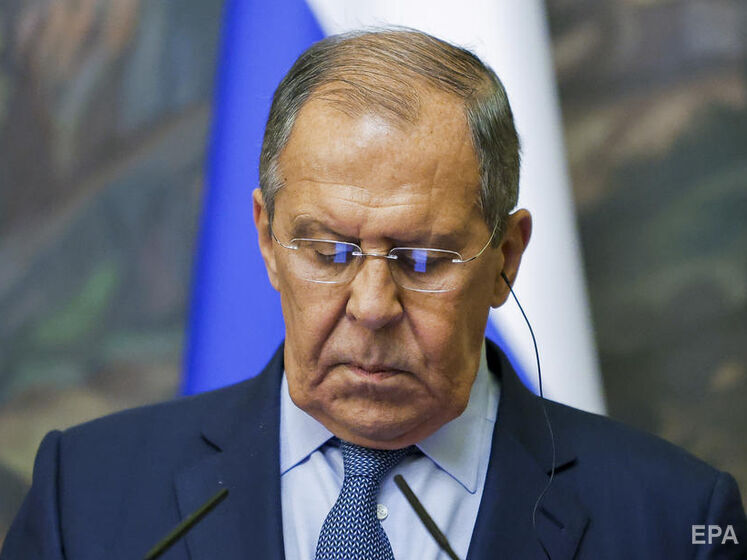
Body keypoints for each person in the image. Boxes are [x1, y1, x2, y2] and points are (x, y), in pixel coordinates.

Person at [2, 29, 745, 560]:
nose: (371, 306)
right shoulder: (86, 494)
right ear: (266, 239)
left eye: (421, 259)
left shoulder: (674, 523)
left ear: (505, 259)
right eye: (328, 252)